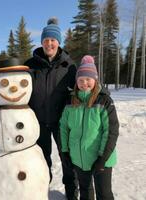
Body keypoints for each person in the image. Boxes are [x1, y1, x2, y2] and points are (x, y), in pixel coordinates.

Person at [24, 17, 78, 199]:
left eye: (53, 40)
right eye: (46, 40)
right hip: (38, 122)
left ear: (58, 42)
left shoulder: (69, 66)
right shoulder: (30, 65)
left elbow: (81, 90)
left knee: (67, 158)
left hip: (62, 122)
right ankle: (41, 189)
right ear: (41, 42)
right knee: (41, 160)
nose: (49, 44)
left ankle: (71, 190)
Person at [59, 55, 119, 200]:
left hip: (101, 158)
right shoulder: (70, 101)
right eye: (80, 79)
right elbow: (64, 128)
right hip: (79, 158)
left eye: (88, 79)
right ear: (76, 81)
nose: (84, 83)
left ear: (95, 80)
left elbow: (111, 131)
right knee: (85, 191)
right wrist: (65, 152)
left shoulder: (104, 100)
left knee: (104, 194)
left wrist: (102, 158)